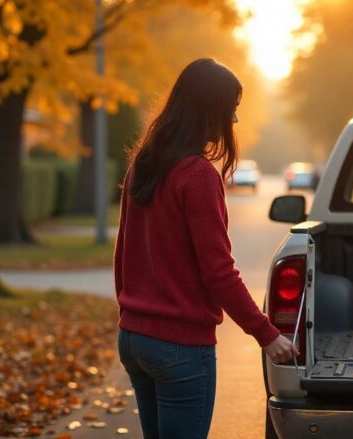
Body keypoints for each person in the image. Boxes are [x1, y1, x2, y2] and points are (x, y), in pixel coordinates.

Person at [113, 58, 299, 439]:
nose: (233, 121)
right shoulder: (197, 176)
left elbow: (123, 254)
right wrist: (266, 334)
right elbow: (218, 272)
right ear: (208, 110)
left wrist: (131, 313)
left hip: (134, 339)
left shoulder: (144, 165)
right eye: (230, 110)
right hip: (178, 348)